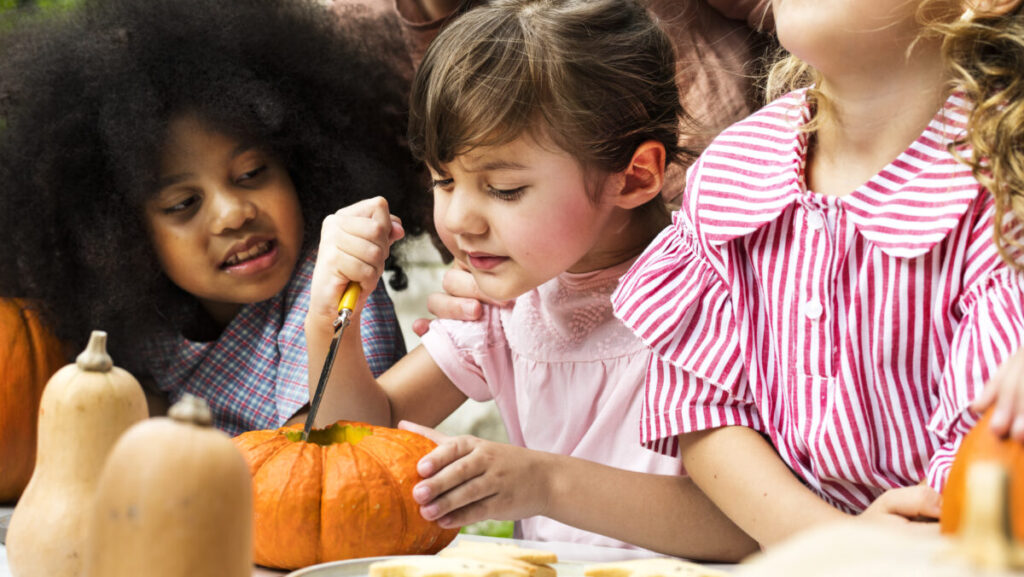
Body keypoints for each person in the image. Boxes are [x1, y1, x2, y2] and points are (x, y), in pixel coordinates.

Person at [308, 0, 757, 560]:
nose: (458, 221)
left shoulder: (719, 294)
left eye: (504, 190)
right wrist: (329, 320)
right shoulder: (506, 304)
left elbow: (748, 526)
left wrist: (543, 483)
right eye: (444, 180)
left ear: (635, 176)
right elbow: (354, 436)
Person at [610, 0, 1024, 548]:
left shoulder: (1002, 192)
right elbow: (702, 411)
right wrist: (832, 544)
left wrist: (899, 552)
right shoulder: (734, 172)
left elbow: (994, 454)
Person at [0, 0, 429, 436]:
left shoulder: (335, 285)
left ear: (299, 165)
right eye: (184, 203)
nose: (233, 214)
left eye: (251, 174)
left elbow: (318, 463)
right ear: (122, 238)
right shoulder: (143, 329)